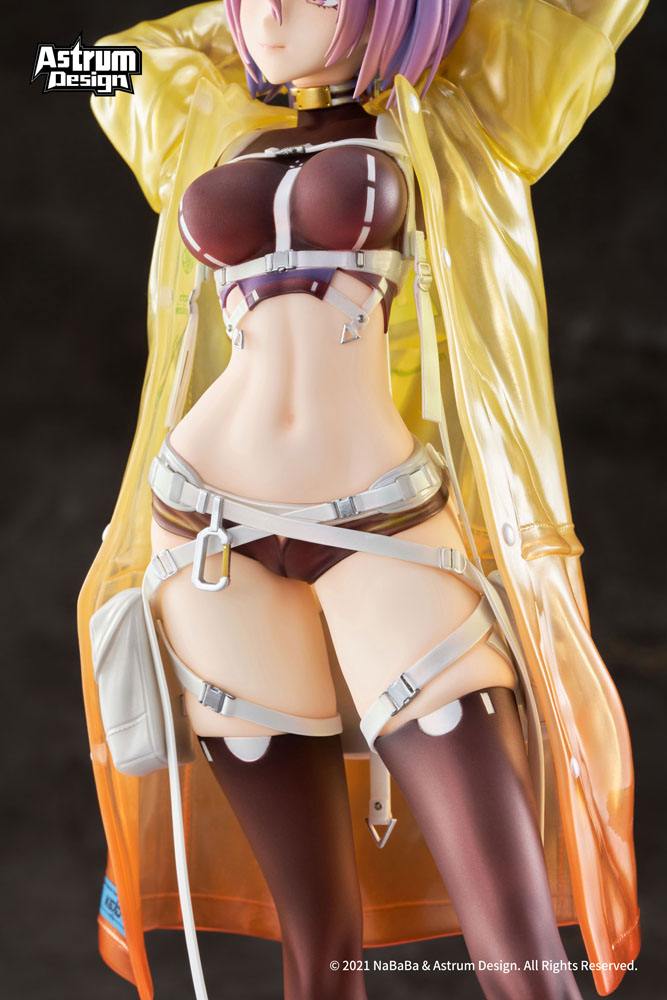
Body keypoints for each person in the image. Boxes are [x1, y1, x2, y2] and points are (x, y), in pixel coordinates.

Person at [78, 2, 646, 998]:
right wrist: (241, 32)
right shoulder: (207, 117)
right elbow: (72, 67)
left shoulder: (470, 112)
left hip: (382, 523)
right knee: (318, 950)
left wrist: (421, 26)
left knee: (521, 959)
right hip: (205, 529)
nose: (272, 10)